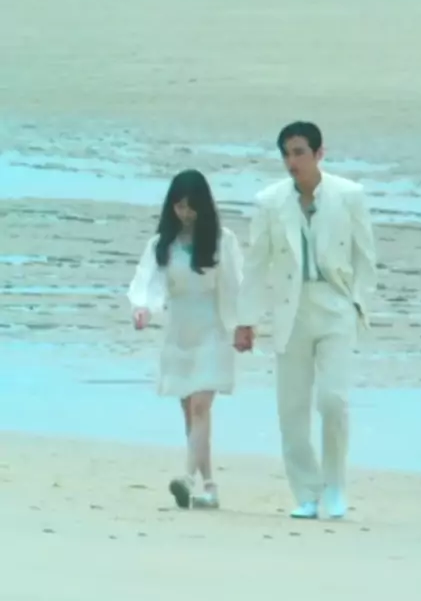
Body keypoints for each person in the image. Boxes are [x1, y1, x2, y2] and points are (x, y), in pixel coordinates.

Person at [234, 122, 376, 520]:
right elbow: (257, 264)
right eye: (286, 153)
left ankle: (335, 488)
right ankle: (307, 493)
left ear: (318, 153)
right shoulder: (270, 201)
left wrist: (358, 304)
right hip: (289, 309)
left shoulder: (349, 195)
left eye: (299, 152)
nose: (291, 161)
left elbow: (366, 258)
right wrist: (246, 320)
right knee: (292, 408)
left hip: (335, 304)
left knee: (333, 400)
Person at [128, 169, 243, 511]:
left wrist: (242, 325)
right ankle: (209, 487)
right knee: (189, 413)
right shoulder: (162, 244)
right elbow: (147, 281)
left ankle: (187, 478)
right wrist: (143, 309)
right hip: (179, 332)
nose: (186, 214)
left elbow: (235, 286)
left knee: (201, 406)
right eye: (180, 206)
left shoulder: (222, 241)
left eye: (191, 207)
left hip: (213, 331)